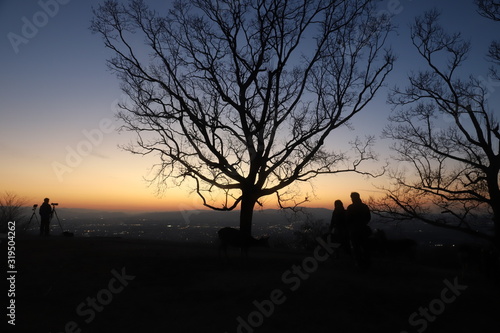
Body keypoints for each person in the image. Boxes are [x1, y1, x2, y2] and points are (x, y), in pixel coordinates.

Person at [346, 192, 372, 267]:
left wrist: (351, 226)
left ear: (353, 198)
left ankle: (359, 263)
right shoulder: (364, 206)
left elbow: (348, 219)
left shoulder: (350, 207)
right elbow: (368, 217)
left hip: (354, 231)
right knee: (365, 247)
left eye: (351, 197)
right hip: (363, 229)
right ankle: (367, 262)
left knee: (356, 247)